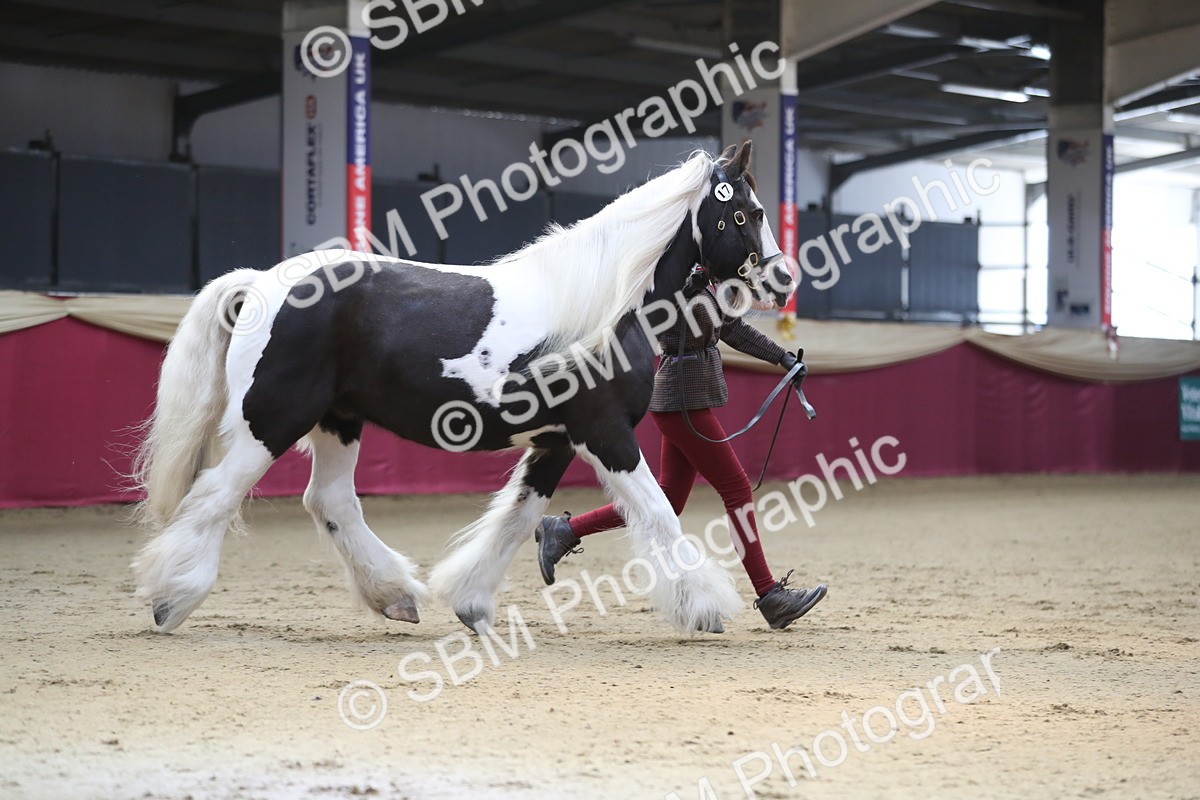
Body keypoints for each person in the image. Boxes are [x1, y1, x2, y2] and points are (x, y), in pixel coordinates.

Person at [534, 274, 827, 630]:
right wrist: (693, 284)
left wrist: (782, 358)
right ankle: (769, 595)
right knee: (737, 489)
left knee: (668, 501)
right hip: (682, 401)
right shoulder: (677, 278)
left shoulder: (704, 279)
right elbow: (675, 315)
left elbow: (731, 328)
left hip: (687, 399)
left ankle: (565, 530)